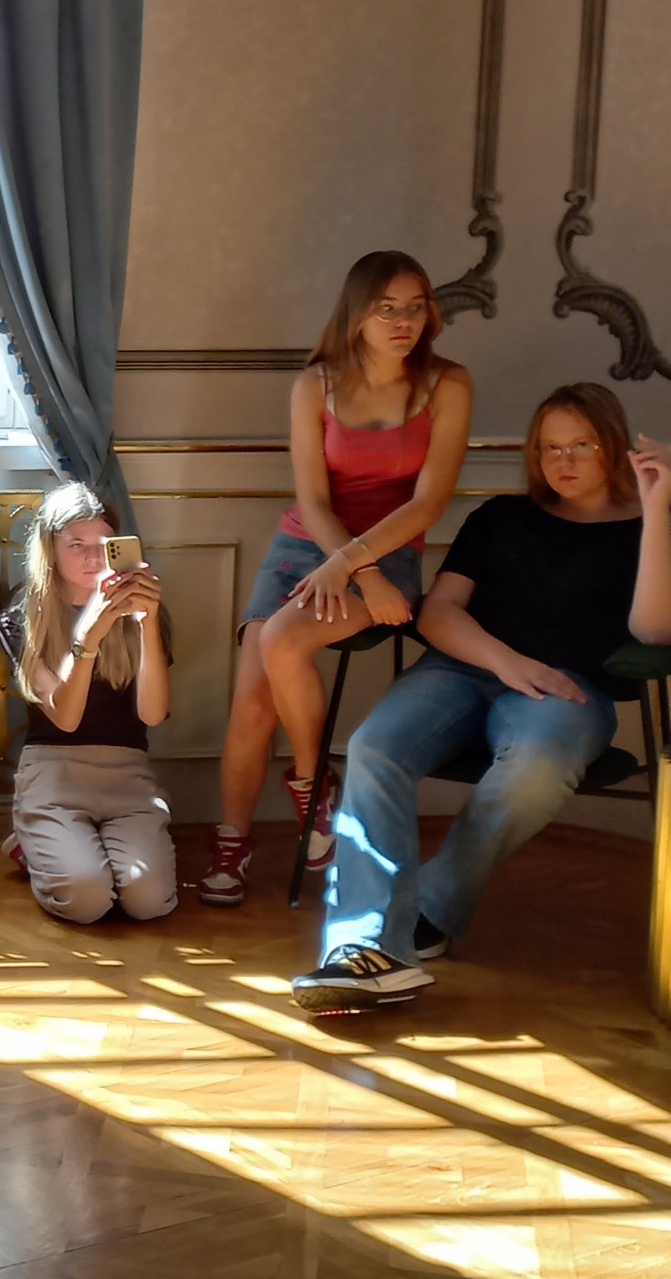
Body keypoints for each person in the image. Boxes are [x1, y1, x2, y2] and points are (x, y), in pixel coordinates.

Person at [291, 385, 671, 1013]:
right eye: (549, 447)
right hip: (464, 668)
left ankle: (428, 906)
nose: (563, 460)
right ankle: (362, 948)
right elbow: (439, 613)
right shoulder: (500, 517)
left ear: (613, 445)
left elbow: (654, 631)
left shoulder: (644, 528)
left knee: (536, 766)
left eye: (581, 444)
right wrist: (509, 663)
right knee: (374, 746)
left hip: (565, 691)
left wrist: (657, 511)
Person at [200, 252, 472, 905]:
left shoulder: (448, 384)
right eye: (387, 308)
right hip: (307, 545)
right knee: (252, 702)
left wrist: (364, 567)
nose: (404, 321)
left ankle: (310, 783)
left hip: (389, 551)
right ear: (357, 314)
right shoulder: (313, 385)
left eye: (416, 307)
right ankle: (235, 841)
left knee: (283, 640)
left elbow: (428, 505)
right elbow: (314, 502)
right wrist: (353, 566)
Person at [0, 483, 175, 923]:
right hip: (54, 772)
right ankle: (37, 840)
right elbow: (65, 718)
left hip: (127, 774)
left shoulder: (145, 612)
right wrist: (87, 640)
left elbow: (153, 714)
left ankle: (67, 847)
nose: (94, 558)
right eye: (77, 545)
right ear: (51, 551)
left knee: (148, 901)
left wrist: (148, 625)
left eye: (104, 544)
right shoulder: (23, 621)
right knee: (87, 900)